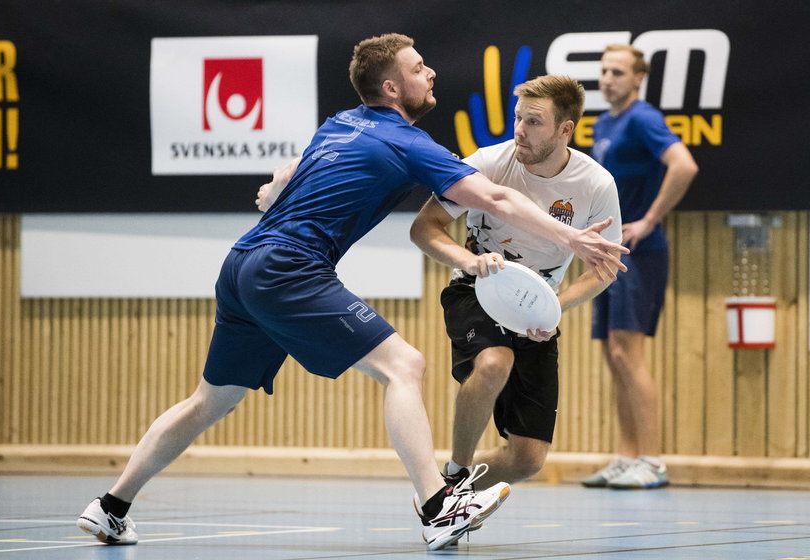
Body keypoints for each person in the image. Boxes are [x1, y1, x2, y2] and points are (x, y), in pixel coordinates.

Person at [75, 34, 629, 551]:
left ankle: (110, 505)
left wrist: (275, 185)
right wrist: (572, 237)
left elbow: (290, 170)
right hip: (292, 269)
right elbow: (499, 202)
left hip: (243, 264)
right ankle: (439, 507)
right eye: (418, 68)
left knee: (210, 400)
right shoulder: (407, 140)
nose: (430, 71)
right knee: (404, 367)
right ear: (392, 88)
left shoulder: (343, 122)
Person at [408, 75, 622, 491]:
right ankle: (455, 470)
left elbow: (604, 268)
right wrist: (469, 261)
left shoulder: (596, 184)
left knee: (526, 460)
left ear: (565, 129)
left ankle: (444, 490)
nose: (519, 130)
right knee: (493, 363)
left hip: (536, 306)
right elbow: (425, 229)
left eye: (534, 122)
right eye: (517, 118)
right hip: (477, 288)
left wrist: (556, 307)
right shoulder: (488, 164)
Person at [582, 44, 698, 490]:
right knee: (613, 356)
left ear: (637, 79)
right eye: (604, 71)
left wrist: (649, 220)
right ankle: (626, 457)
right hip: (609, 254)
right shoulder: (607, 122)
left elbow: (683, 165)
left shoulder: (643, 117)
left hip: (640, 254)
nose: (608, 78)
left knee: (629, 355)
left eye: (617, 72)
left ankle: (651, 460)